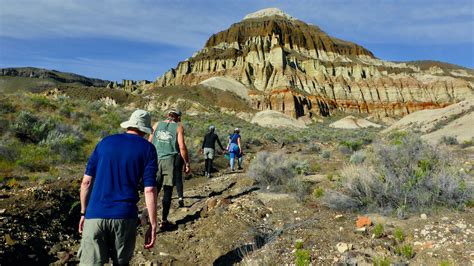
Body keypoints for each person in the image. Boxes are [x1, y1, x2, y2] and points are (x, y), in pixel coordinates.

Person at [78, 109, 158, 265]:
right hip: (124, 217)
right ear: (144, 129)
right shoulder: (148, 149)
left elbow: (86, 182)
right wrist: (153, 223)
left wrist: (83, 213)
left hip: (95, 215)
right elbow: (149, 190)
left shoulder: (104, 142)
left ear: (129, 125)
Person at [149, 109, 190, 230]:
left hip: (155, 160)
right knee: (167, 191)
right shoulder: (178, 127)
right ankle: (164, 220)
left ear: (168, 115)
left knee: (153, 191)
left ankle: (150, 220)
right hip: (169, 161)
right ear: (178, 117)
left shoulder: (156, 124)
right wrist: (186, 163)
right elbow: (182, 146)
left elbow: (149, 142)